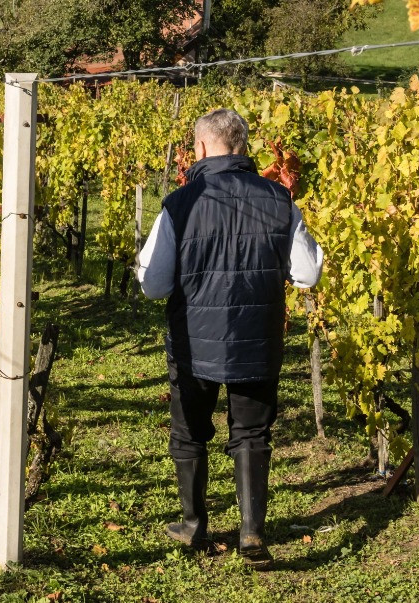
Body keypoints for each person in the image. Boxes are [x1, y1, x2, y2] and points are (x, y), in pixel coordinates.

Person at [137, 108, 323, 565]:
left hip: (192, 343)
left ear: (200, 148)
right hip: (256, 339)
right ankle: (252, 533)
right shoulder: (280, 200)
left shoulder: (179, 204)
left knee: (189, 435)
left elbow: (154, 284)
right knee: (252, 433)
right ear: (242, 146)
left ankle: (193, 526)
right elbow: (308, 274)